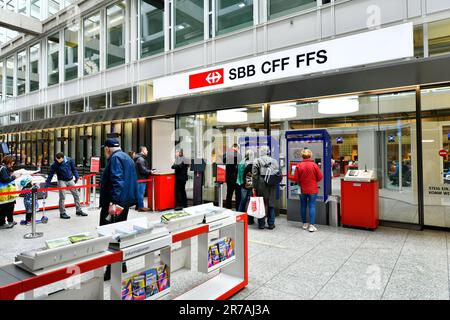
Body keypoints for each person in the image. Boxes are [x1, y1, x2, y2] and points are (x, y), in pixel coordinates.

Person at [99, 138, 138, 280]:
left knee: (109, 234)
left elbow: (118, 181)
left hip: (115, 204)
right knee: (119, 233)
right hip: (125, 202)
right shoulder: (127, 157)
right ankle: (122, 263)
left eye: (105, 149)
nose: (105, 152)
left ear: (108, 149)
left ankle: (111, 268)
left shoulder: (114, 159)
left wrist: (113, 203)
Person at [44, 152, 88, 219]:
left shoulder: (69, 160)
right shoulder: (55, 164)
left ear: (62, 158)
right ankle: (62, 213)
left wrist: (77, 177)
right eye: (56, 159)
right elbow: (50, 175)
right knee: (62, 197)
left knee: (76, 195)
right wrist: (46, 185)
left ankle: (78, 210)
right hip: (61, 181)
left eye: (59, 160)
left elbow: (74, 169)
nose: (58, 161)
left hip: (70, 179)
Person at [294, 149, 323, 233]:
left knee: (303, 205)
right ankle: (311, 226)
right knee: (312, 206)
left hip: (302, 189)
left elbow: (295, 178)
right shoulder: (314, 165)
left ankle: (304, 224)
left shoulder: (298, 165)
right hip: (312, 189)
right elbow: (320, 176)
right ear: (310, 156)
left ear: (302, 156)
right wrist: (314, 180)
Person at [252, 146, 278, 230]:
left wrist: (254, 186)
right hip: (271, 184)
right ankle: (271, 223)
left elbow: (255, 175)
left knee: (261, 204)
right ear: (268, 152)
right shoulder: (274, 161)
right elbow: (277, 172)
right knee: (271, 204)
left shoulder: (257, 161)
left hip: (261, 184)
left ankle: (261, 224)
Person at [0, 155, 19, 229]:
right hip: (4, 191)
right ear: (9, 161)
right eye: (13, 161)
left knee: (10, 205)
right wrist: (14, 177)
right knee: (4, 207)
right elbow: (5, 179)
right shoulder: (3, 168)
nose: (13, 163)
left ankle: (10, 220)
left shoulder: (5, 168)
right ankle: (2, 223)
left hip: (8, 191)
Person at [237, 149, 255, 224]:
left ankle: (239, 217)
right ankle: (250, 219)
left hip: (242, 184)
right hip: (250, 185)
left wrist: (241, 183)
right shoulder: (252, 163)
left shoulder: (241, 162)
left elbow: (239, 174)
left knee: (242, 201)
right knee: (250, 202)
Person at [222, 143, 242, 210]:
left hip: (229, 178)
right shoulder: (238, 155)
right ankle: (238, 208)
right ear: (236, 148)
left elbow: (223, 161)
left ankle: (228, 208)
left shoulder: (226, 155)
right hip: (237, 178)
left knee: (229, 194)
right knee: (238, 195)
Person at [134, 146, 154, 212]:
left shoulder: (138, 158)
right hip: (141, 179)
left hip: (139, 178)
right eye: (146, 150)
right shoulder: (141, 159)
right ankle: (141, 207)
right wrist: (150, 171)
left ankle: (138, 206)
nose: (147, 151)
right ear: (142, 151)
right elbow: (143, 170)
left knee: (139, 193)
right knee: (141, 193)